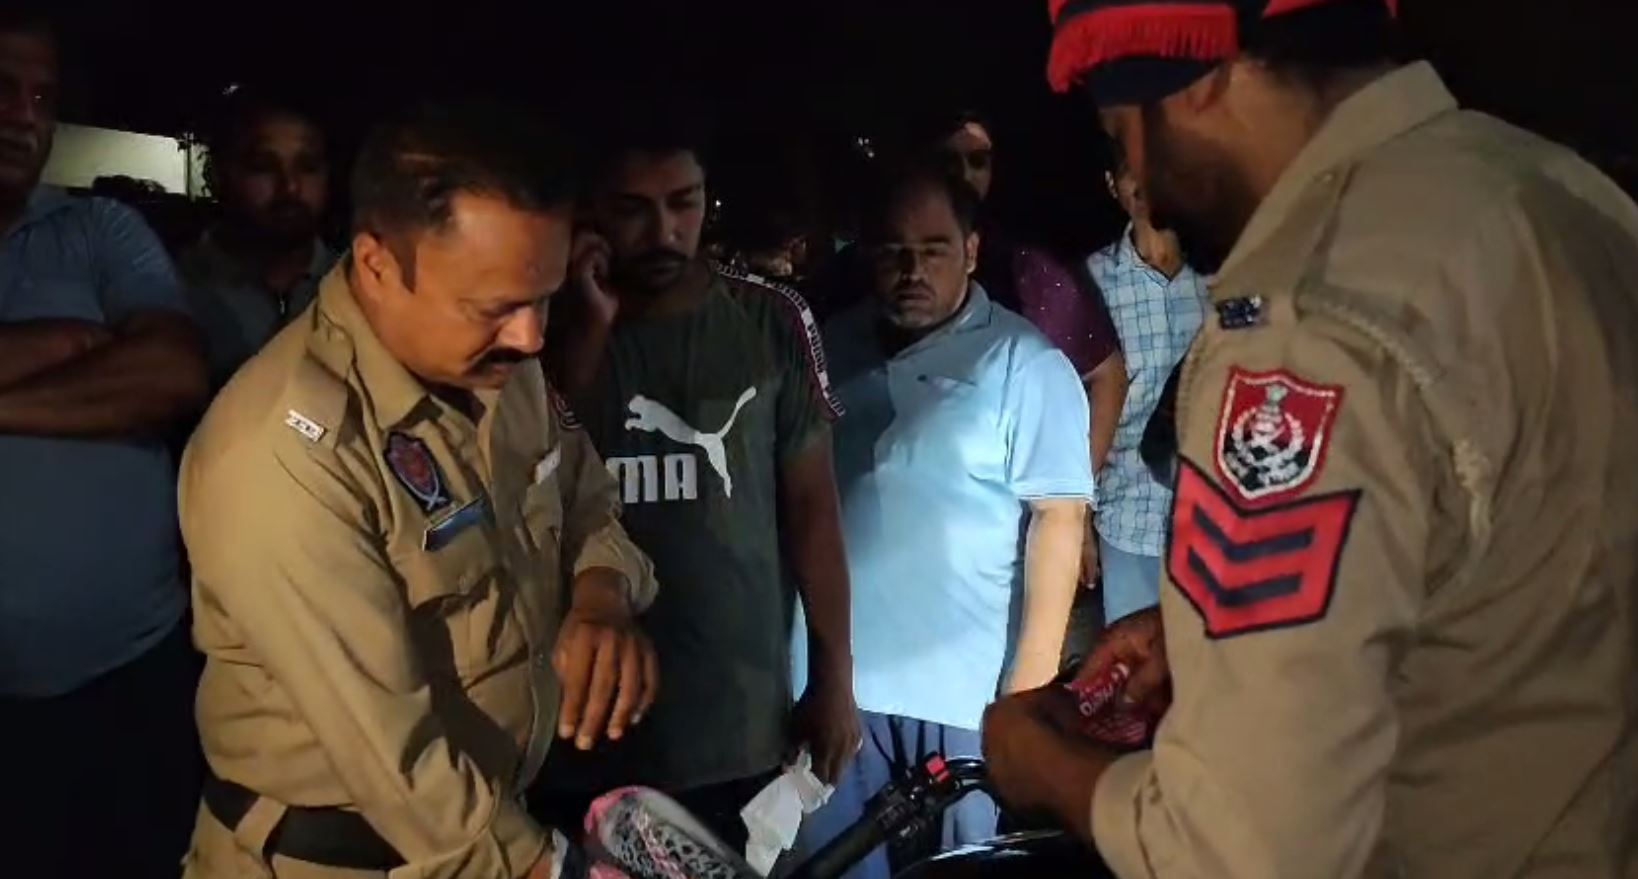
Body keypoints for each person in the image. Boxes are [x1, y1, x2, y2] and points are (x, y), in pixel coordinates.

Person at [983, 1, 1638, 877]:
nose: (1145, 182)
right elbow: (1527, 567)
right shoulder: (1565, 197)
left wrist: (1048, 768)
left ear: (1198, 76)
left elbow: (1244, 849)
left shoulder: (1303, 320)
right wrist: (1217, 633)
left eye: (1124, 133)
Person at [180, 102, 659, 879]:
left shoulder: (503, 370)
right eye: (494, 307)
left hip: (496, 828)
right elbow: (400, 768)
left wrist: (603, 592)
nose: (533, 336)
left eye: (544, 297)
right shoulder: (285, 455)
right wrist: (556, 870)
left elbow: (586, 497)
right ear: (376, 265)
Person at [537, 114, 859, 850]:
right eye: (633, 209)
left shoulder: (770, 319)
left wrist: (835, 678)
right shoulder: (541, 325)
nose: (663, 231)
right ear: (591, 211)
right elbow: (537, 473)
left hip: (731, 725)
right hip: (580, 727)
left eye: (683, 202)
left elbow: (813, 512)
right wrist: (586, 333)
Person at [795, 165, 1094, 877]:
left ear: (972, 249)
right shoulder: (829, 348)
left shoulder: (1023, 362)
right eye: (893, 251)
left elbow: (1058, 518)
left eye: (933, 249)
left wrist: (1026, 693)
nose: (912, 271)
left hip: (963, 699)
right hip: (838, 690)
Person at [0, 10, 211, 878]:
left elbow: (170, 373)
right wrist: (64, 346)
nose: (22, 117)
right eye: (2, 89)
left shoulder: (101, 232)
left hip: (129, 676)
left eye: (41, 97)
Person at [931, 110, 1126, 597]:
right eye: (950, 160)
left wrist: (1070, 504)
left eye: (978, 160)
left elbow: (1107, 375)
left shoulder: (1026, 271)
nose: (964, 173)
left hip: (1010, 540)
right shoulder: (882, 270)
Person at [1083, 157, 1209, 626]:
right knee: (1132, 663)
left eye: (1148, 164)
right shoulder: (1095, 280)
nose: (1140, 181)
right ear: (1111, 184)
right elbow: (1074, 404)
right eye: (1127, 170)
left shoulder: (1222, 274)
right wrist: (1078, 521)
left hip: (1214, 519)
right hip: (1127, 517)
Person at [180, 89, 336, 389]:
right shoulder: (172, 290)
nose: (290, 187)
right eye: (263, 166)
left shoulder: (363, 288)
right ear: (219, 175)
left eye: (308, 167)